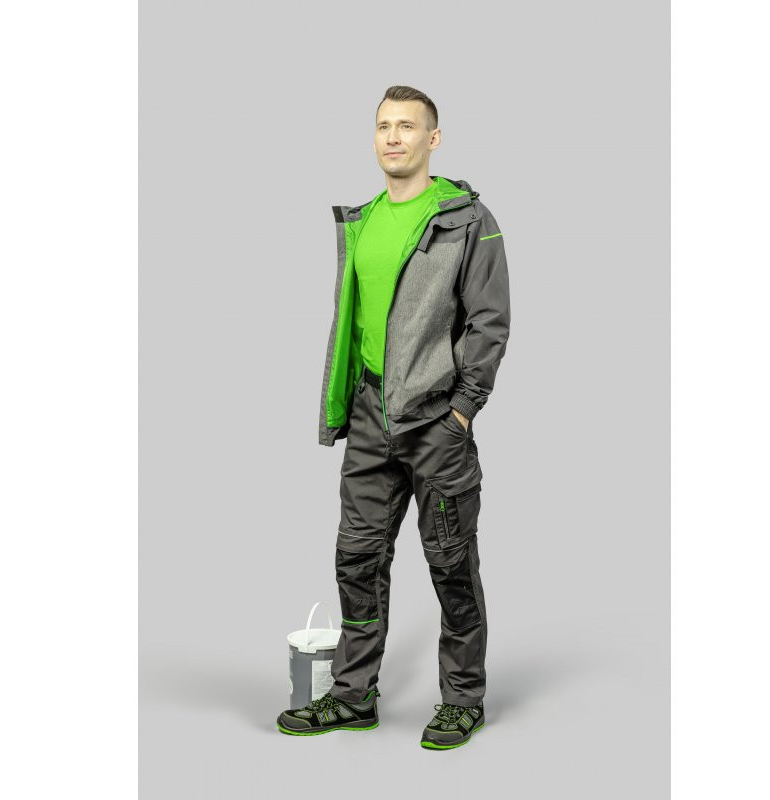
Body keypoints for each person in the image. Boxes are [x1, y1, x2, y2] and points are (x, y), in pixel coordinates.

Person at [276, 86, 510, 750]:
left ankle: (462, 700)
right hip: (370, 416)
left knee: (451, 563)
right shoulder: (365, 218)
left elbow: (490, 322)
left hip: (436, 422)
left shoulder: (465, 220)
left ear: (433, 139)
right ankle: (353, 696)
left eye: (407, 126)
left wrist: (463, 410)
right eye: (383, 126)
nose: (393, 137)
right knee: (357, 559)